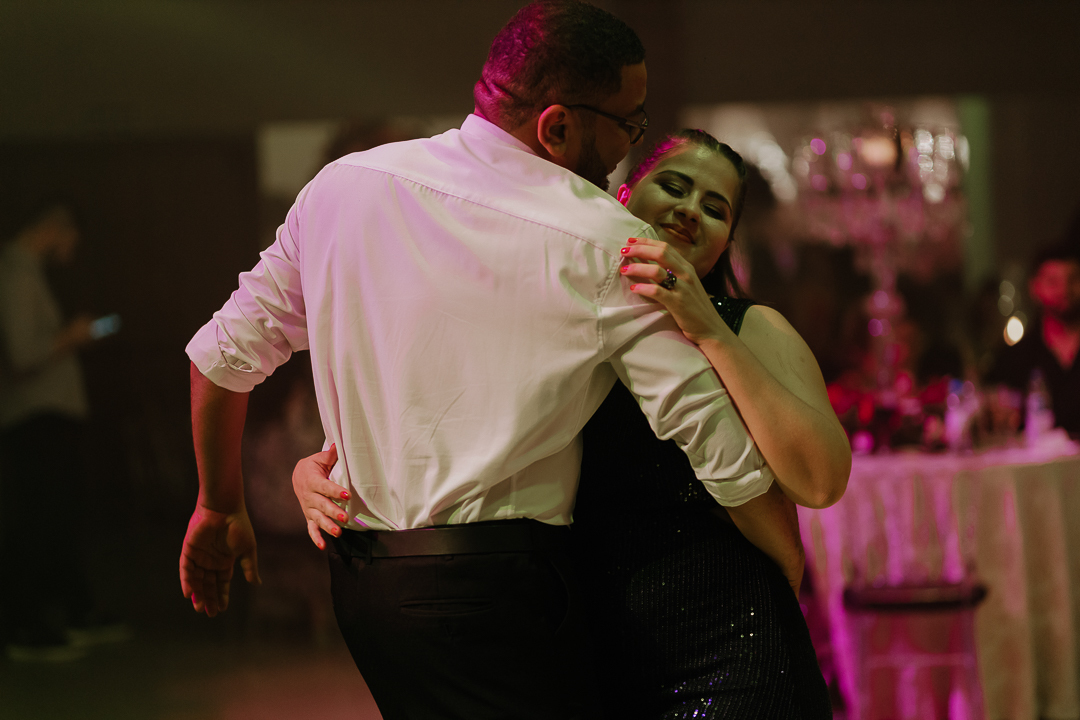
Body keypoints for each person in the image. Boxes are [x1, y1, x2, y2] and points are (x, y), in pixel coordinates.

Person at [180, 2, 832, 717]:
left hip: (370, 589)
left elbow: (221, 358)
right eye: (628, 125)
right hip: (505, 588)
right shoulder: (599, 236)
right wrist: (790, 565)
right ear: (557, 126)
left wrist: (218, 501)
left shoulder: (344, 185)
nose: (629, 143)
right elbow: (717, 447)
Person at [294, 130, 850, 718]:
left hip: (730, 646)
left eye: (715, 209)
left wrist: (709, 329)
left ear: (726, 242)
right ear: (624, 195)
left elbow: (820, 481)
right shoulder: (553, 322)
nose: (691, 210)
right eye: (675, 186)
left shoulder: (751, 327)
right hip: (588, 653)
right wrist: (322, 466)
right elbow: (439, 418)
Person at [0, 199, 120, 662]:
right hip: (35, 418)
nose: (73, 250)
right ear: (56, 226)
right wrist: (73, 335)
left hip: (46, 417)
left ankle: (65, 614)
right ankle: (25, 625)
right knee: (37, 521)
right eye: (72, 238)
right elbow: (24, 354)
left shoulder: (24, 270)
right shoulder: (14, 272)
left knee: (54, 518)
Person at [985, 242, 1080, 437]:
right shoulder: (1016, 357)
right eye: (1053, 281)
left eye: (1073, 280)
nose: (1064, 290)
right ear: (1035, 287)